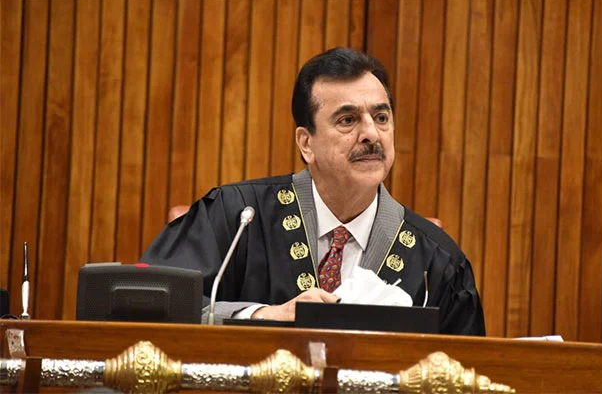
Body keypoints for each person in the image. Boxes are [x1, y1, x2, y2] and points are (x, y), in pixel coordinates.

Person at [140, 47, 485, 335]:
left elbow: (467, 373)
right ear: (306, 143)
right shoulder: (238, 216)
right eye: (348, 120)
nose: (371, 134)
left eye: (381, 118)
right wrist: (262, 316)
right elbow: (148, 303)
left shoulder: (437, 260)